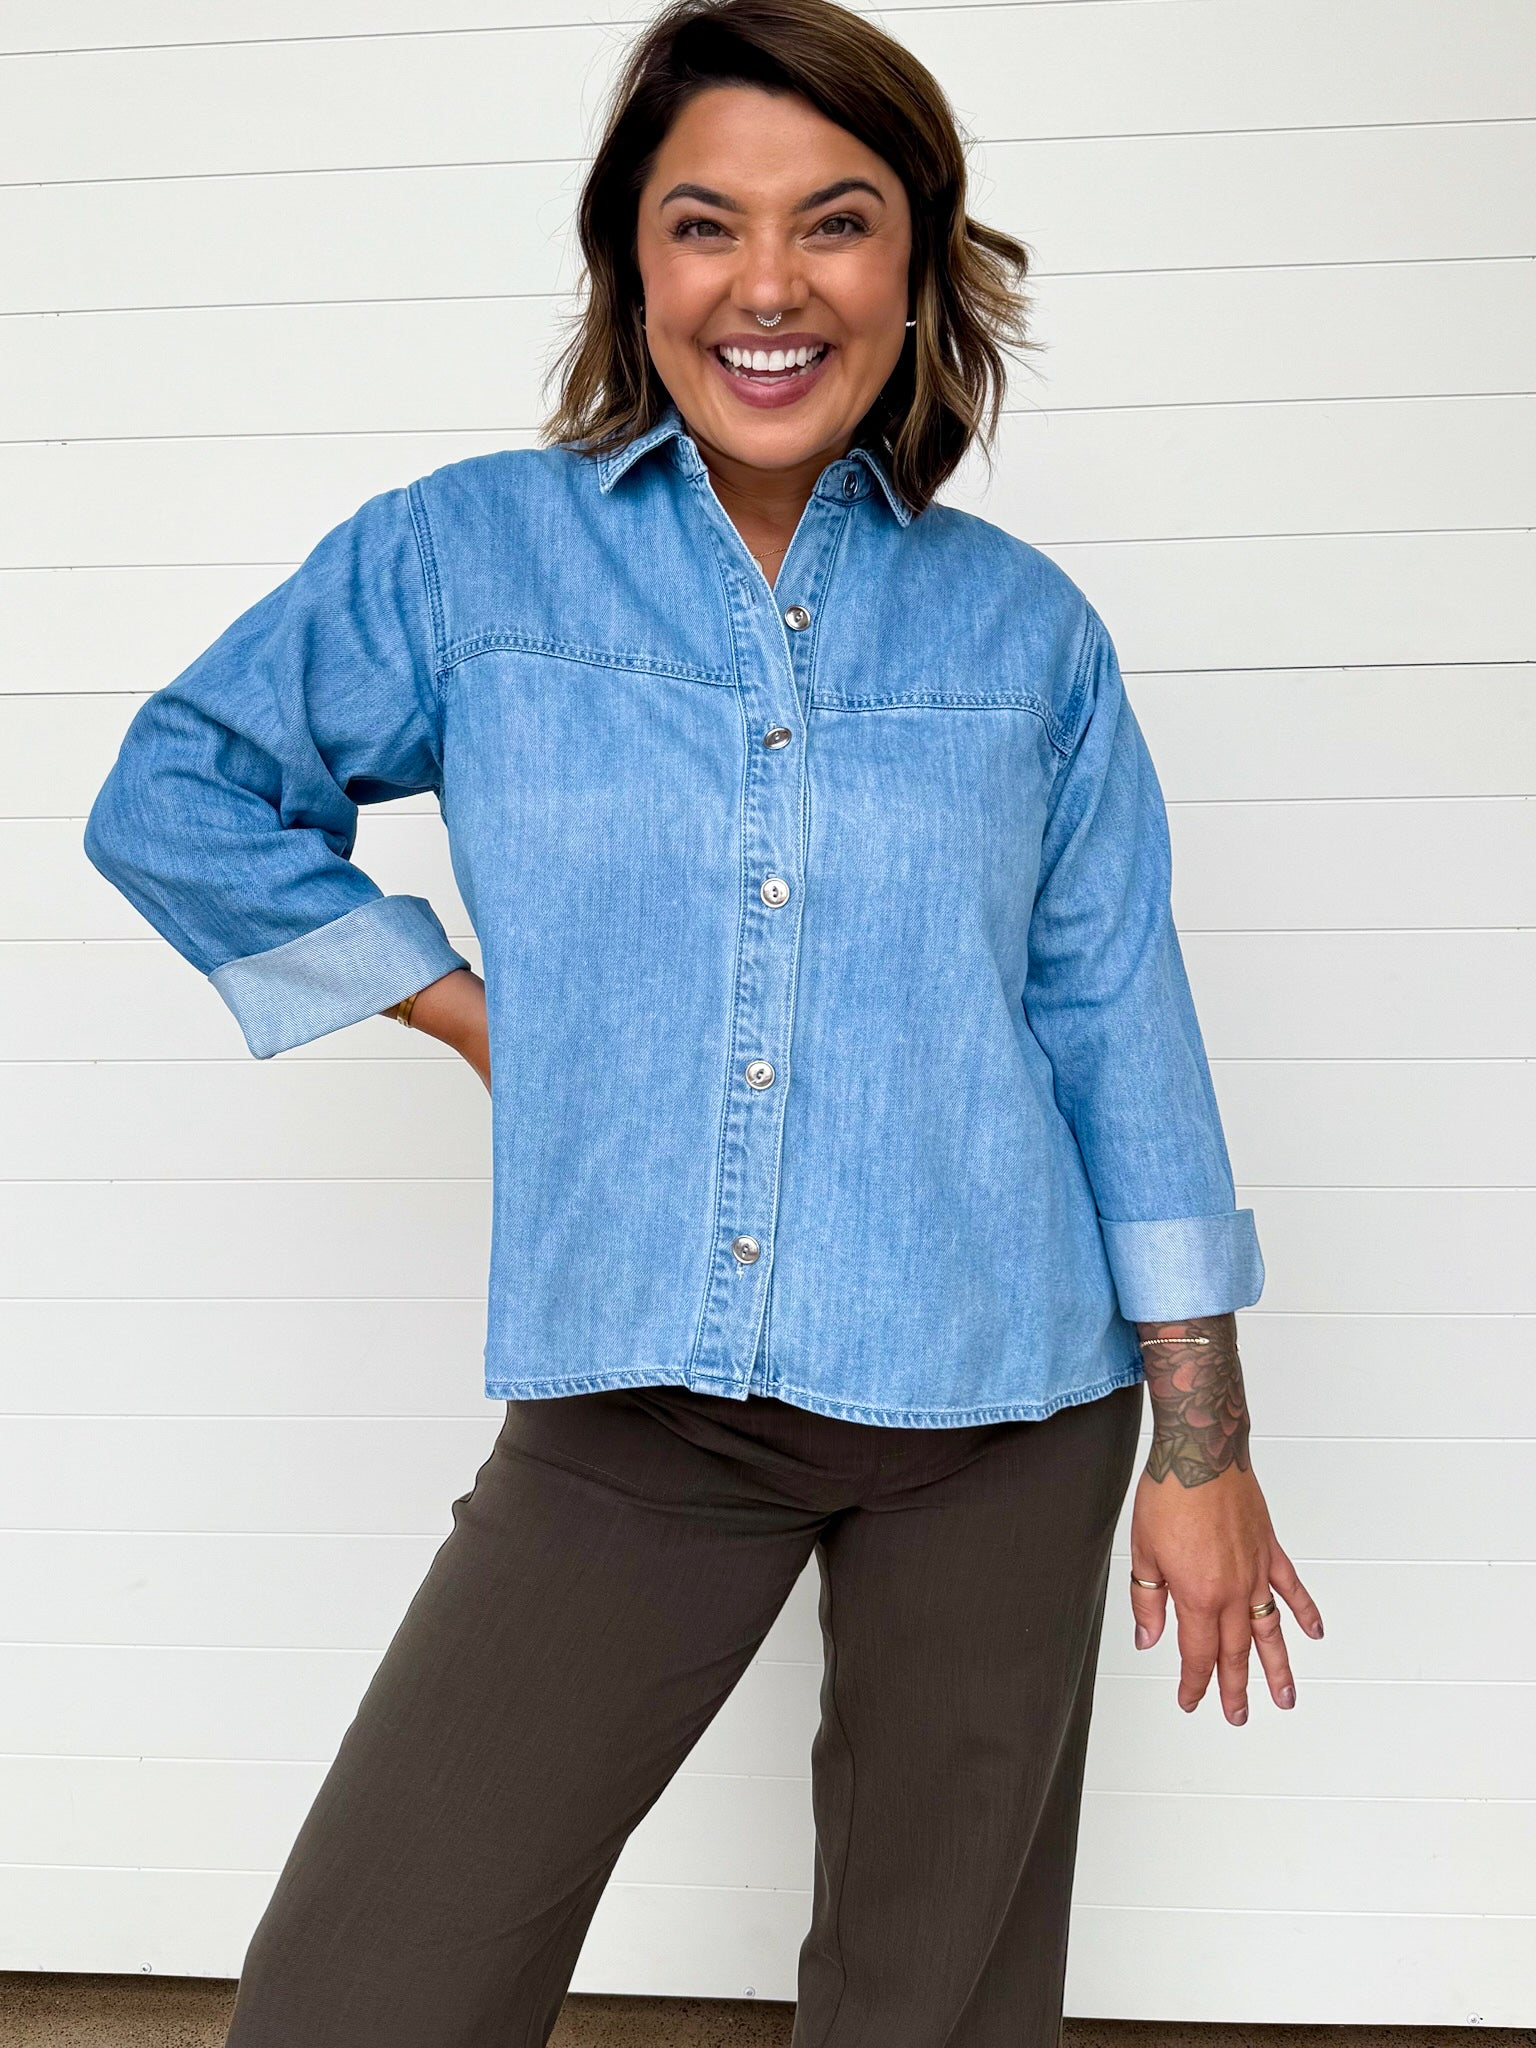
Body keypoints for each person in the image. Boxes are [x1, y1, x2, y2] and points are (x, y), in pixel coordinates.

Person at [82, 0, 1323, 2040]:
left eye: (834, 221)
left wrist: (1203, 1444)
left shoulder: (1024, 630)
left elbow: (1117, 1024)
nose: (769, 285)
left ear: (915, 268)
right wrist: (467, 1012)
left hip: (1008, 1414)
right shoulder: (469, 557)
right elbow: (180, 791)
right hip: (644, 1406)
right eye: (703, 223)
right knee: (363, 1998)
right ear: (629, 262)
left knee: (933, 2012)